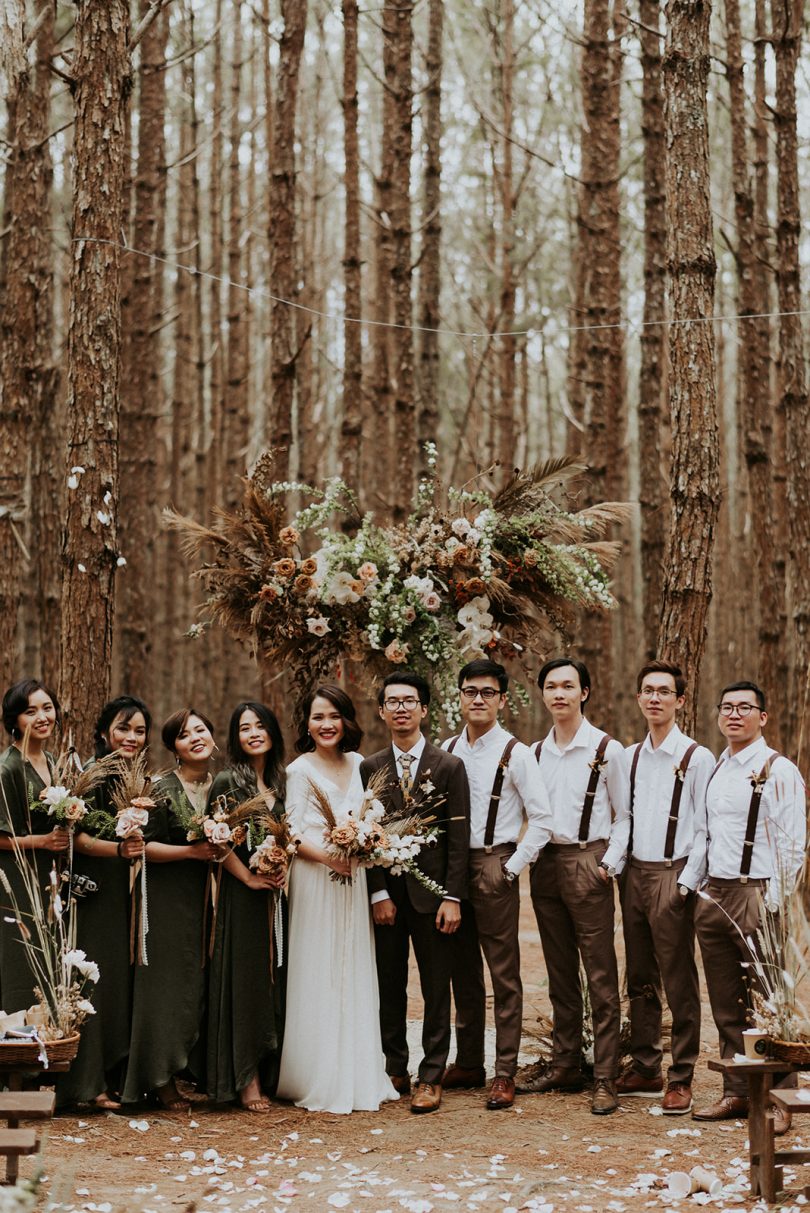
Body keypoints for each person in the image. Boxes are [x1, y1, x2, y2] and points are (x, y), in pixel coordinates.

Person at [277, 684, 398, 1113]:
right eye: (317, 717)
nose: (326, 725)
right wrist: (332, 858)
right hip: (316, 880)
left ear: (347, 720)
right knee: (319, 967)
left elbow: (372, 820)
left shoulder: (362, 764)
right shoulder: (299, 771)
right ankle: (315, 1071)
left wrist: (363, 848)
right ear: (306, 725)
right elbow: (290, 835)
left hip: (357, 879)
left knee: (354, 968)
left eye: (334, 716)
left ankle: (359, 1067)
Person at [693, 680, 805, 1133]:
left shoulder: (779, 769)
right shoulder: (717, 767)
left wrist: (771, 906)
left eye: (745, 707)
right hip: (714, 892)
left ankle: (781, 1098)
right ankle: (737, 1091)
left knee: (767, 1001)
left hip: (756, 892)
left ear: (763, 716)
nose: (734, 714)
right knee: (724, 1001)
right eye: (727, 707)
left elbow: (794, 844)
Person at [441, 658, 552, 1110]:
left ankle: (504, 1071)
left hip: (494, 862)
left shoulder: (516, 753)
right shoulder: (446, 748)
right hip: (451, 870)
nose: (478, 700)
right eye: (471, 691)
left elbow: (542, 821)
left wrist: (509, 868)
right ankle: (469, 1062)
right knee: (461, 970)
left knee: (502, 974)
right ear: (460, 697)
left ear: (502, 700)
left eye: (488, 692)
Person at [362, 671, 470, 1115]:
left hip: (433, 899)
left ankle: (431, 1075)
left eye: (410, 701)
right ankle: (394, 1067)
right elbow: (362, 836)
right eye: (393, 701)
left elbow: (459, 838)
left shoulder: (448, 766)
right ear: (383, 711)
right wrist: (376, 894)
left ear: (424, 709)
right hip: (389, 897)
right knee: (389, 984)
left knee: (435, 986)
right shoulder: (370, 768)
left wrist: (452, 897)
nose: (401, 708)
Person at [528, 657, 630, 1115]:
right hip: (545, 863)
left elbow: (625, 816)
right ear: (543, 694)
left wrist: (608, 863)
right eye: (551, 686)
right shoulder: (533, 753)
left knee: (601, 974)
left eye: (568, 686)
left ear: (584, 692)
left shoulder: (609, 749)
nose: (560, 694)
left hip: (590, 859)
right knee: (559, 970)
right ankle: (566, 1062)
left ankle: (606, 1075)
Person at [616, 661, 715, 1115]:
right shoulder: (629, 756)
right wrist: (614, 864)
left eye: (663, 691)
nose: (654, 698)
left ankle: (682, 1075)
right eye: (647, 691)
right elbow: (626, 818)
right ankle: (646, 1066)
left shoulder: (696, 757)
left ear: (679, 700)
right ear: (638, 699)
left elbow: (704, 828)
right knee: (639, 976)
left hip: (673, 874)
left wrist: (684, 885)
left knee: (678, 979)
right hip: (633, 873)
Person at [122, 708, 221, 1109]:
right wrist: (192, 851)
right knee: (166, 986)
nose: (194, 738)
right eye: (183, 735)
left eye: (201, 729)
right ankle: (159, 1078)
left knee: (200, 984)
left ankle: (195, 1068)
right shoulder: (161, 787)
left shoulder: (224, 786)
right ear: (174, 748)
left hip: (211, 900)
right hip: (166, 898)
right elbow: (143, 846)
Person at [57, 695, 150, 1110]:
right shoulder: (92, 778)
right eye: (123, 728)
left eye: (139, 730)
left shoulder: (138, 782)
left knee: (115, 983)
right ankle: (85, 1083)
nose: (131, 737)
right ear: (102, 733)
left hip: (125, 893)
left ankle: (114, 1076)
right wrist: (117, 852)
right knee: (89, 979)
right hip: (92, 891)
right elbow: (74, 837)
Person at [206, 701, 286, 1113]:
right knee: (247, 983)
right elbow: (216, 842)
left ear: (272, 731)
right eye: (244, 728)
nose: (253, 733)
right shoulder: (227, 781)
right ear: (236, 738)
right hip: (243, 895)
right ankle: (245, 1078)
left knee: (276, 981)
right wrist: (250, 877)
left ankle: (274, 1069)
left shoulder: (281, 781)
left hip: (280, 897)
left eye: (260, 725)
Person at [0, 679, 69, 1013]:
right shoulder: (8, 767)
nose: (43, 717)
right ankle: (18, 1053)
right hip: (16, 878)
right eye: (31, 711)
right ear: (14, 720)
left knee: (51, 957)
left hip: (51, 878)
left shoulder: (55, 762)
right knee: (22, 958)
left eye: (47, 707)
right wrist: (43, 842)